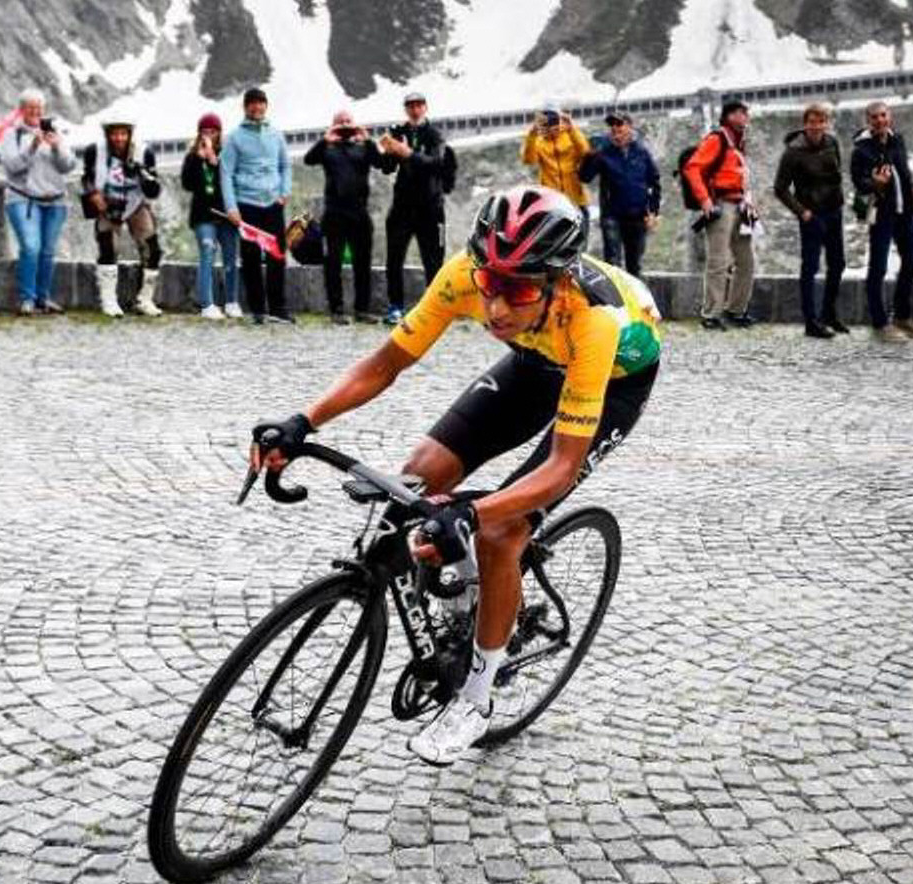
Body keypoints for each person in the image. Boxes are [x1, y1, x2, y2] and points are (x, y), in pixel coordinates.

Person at [250, 185, 660, 766]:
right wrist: (303, 422)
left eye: (518, 290)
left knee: (501, 532)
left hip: (614, 378)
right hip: (537, 358)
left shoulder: (593, 318)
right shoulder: (468, 275)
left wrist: (471, 514)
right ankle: (468, 598)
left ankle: (476, 697)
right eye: (491, 282)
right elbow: (386, 364)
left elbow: (560, 466)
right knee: (419, 476)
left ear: (556, 281)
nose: (496, 308)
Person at [682, 99, 758, 330]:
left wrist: (749, 201)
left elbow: (740, 175)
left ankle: (735, 310)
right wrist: (705, 200)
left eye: (746, 113)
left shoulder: (738, 142)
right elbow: (692, 168)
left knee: (746, 261)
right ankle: (711, 314)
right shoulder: (717, 139)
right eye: (741, 113)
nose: (745, 117)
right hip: (721, 205)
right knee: (718, 261)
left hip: (740, 205)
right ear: (729, 116)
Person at [304, 109, 385, 323]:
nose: (345, 125)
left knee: (363, 262)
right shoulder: (328, 149)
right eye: (340, 122)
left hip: (359, 212)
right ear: (333, 126)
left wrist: (367, 139)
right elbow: (309, 159)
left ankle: (362, 310)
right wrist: (326, 139)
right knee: (333, 262)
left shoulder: (362, 148)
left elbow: (381, 163)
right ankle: (336, 310)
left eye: (348, 121)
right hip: (334, 213)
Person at [774, 102, 846, 339]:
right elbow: (780, 188)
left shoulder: (832, 142)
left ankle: (829, 314)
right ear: (805, 124)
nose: (817, 126)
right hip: (812, 215)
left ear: (827, 123)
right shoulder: (793, 152)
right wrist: (802, 212)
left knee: (838, 264)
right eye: (812, 122)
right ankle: (811, 322)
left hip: (834, 211)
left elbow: (837, 174)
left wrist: (839, 201)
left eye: (821, 122)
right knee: (810, 267)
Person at [222, 87, 293, 324]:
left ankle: (278, 308)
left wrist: (284, 192)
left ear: (266, 106)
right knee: (251, 257)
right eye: (252, 103)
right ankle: (258, 310)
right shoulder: (234, 138)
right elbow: (226, 173)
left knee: (277, 256)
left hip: (273, 204)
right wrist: (231, 207)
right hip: (247, 204)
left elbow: (285, 166)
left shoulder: (276, 135)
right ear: (245, 107)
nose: (257, 107)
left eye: (261, 102)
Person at [1, 88, 75, 316]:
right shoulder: (12, 135)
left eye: (39, 108)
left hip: (55, 200)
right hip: (23, 199)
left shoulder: (56, 131)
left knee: (47, 251)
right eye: (30, 108)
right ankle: (27, 298)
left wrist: (56, 147)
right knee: (31, 247)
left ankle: (43, 298)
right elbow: (12, 166)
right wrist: (32, 146)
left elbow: (68, 166)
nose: (35, 112)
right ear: (21, 110)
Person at [850, 101, 913, 343]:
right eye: (874, 117)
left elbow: (903, 174)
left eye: (883, 115)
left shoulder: (897, 139)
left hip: (904, 212)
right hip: (881, 215)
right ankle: (880, 323)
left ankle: (902, 316)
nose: (880, 120)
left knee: (912, 261)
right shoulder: (861, 149)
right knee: (878, 268)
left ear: (890, 116)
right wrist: (874, 183)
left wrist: (912, 201)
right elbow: (859, 183)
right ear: (868, 121)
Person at [82, 119, 162, 318]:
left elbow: (154, 190)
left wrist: (142, 173)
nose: (119, 139)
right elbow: (87, 178)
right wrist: (93, 195)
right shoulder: (95, 151)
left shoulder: (144, 152)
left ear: (130, 134)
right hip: (107, 203)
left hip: (135, 203)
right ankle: (109, 300)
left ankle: (145, 299)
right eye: (114, 134)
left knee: (152, 248)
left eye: (123, 134)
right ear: (107, 135)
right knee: (108, 247)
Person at [380, 92, 447, 325]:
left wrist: (408, 153)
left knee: (433, 260)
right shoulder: (398, 132)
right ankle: (395, 306)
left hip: (430, 206)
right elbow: (386, 168)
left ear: (425, 108)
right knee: (394, 258)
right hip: (403, 206)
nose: (415, 110)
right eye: (411, 106)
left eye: (419, 105)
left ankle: (435, 308)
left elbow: (436, 164)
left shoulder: (434, 134)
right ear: (406, 109)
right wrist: (388, 150)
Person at [579, 111, 660, 278]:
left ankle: (634, 295)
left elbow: (654, 183)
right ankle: (614, 295)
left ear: (629, 127)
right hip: (612, 216)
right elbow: (585, 177)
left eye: (619, 124)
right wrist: (589, 156)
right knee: (612, 263)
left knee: (634, 264)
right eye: (612, 125)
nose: (615, 128)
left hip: (638, 216)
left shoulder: (642, 152)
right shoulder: (603, 152)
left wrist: (653, 211)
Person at [181, 112, 241, 320]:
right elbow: (187, 184)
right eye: (204, 132)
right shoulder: (192, 157)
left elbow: (229, 182)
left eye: (213, 132)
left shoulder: (226, 155)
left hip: (225, 214)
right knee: (207, 251)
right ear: (199, 134)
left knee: (231, 256)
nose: (208, 136)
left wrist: (216, 163)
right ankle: (207, 304)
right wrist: (199, 159)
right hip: (203, 215)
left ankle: (232, 301)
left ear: (219, 133)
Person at [521, 103, 591, 210]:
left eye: (554, 121)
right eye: (547, 123)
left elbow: (585, 152)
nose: (551, 126)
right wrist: (532, 135)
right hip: (552, 199)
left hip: (576, 197)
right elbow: (529, 160)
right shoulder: (538, 141)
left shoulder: (571, 135)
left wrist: (572, 129)